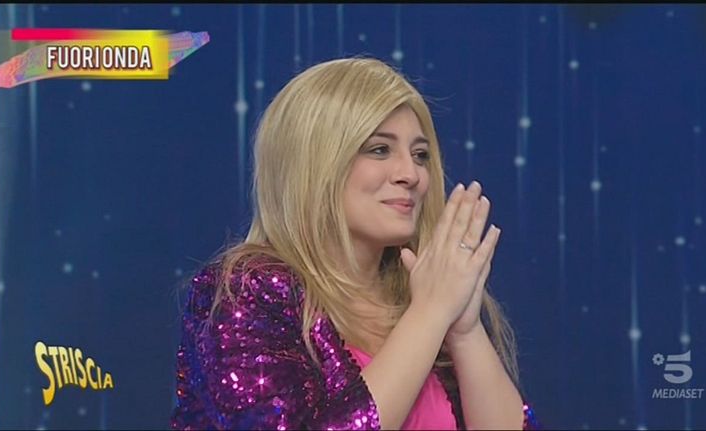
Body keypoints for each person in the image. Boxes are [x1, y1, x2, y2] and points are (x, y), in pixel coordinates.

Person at [171, 57, 539, 430]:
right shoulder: (247, 291)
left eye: (420, 155)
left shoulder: (426, 294)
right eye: (379, 149)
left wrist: (464, 329)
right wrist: (429, 314)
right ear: (314, 162)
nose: (411, 174)